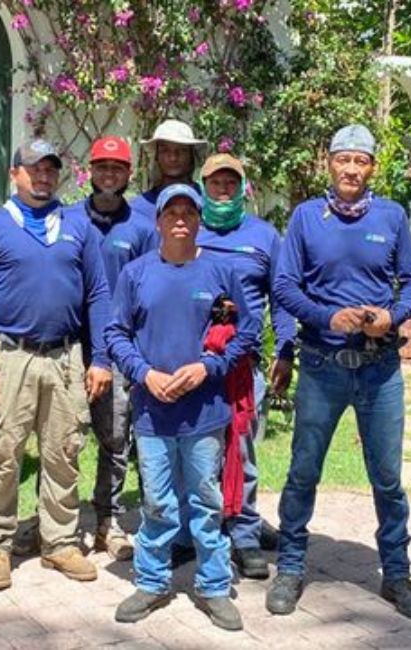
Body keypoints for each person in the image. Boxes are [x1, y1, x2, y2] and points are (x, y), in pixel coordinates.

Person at [268, 125, 411, 620]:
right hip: (322, 366)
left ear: (373, 167)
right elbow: (284, 284)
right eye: (344, 160)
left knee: (387, 479)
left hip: (380, 369)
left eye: (361, 161)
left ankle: (397, 574)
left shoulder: (392, 216)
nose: (352, 170)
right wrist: (324, 317)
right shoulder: (305, 218)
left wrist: (394, 316)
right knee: (302, 473)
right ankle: (291, 568)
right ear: (329, 162)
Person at [0, 139, 113, 590]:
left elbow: (98, 294)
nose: (43, 176)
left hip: (66, 357)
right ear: (15, 175)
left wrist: (100, 357)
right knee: (1, 454)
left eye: (50, 169)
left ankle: (60, 541)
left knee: (64, 452)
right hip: (9, 357)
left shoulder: (78, 226)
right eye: (34, 169)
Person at [107, 184, 259, 630]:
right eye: (170, 211)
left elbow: (247, 330)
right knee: (157, 500)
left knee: (205, 500)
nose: (179, 218)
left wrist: (209, 366)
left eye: (188, 211)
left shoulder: (221, 272)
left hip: (204, 411)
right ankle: (153, 580)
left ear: (198, 221)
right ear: (157, 222)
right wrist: (144, 373)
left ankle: (213, 585)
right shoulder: (135, 274)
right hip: (153, 411)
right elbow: (116, 334)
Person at [195, 153, 296, 580]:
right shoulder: (186, 227)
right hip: (194, 365)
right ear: (203, 185)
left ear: (241, 187)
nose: (223, 189)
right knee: (198, 451)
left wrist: (286, 349)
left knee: (243, 450)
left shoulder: (263, 235)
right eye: (215, 182)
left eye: (230, 183)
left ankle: (245, 532)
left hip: (243, 365)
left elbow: (283, 294)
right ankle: (198, 532)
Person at [59, 136, 157, 560]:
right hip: (66, 345)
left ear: (128, 174)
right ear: (89, 170)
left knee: (114, 438)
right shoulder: (65, 219)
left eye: (117, 169)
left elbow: (153, 282)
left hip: (118, 349)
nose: (109, 175)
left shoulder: (141, 225)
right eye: (102, 167)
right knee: (59, 437)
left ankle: (107, 519)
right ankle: (56, 523)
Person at [129, 119, 208, 222]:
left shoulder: (209, 205)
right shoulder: (138, 209)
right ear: (156, 156)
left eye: (181, 150)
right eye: (165, 150)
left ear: (191, 156)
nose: (173, 157)